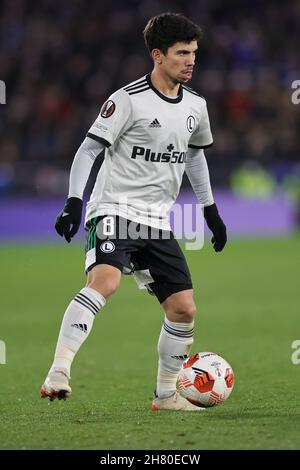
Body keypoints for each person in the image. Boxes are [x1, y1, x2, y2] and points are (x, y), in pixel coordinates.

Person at [41, 12, 227, 411]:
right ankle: (59, 371)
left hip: (158, 220)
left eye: (194, 52)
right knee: (106, 282)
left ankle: (166, 396)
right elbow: (89, 149)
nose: (191, 60)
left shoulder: (196, 105)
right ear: (158, 56)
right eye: (182, 53)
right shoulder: (127, 100)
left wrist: (210, 210)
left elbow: (195, 158)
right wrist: (75, 201)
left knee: (184, 309)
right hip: (114, 208)